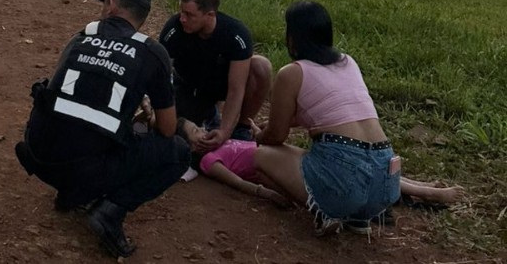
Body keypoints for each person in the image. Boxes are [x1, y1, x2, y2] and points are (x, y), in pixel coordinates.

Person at [15, 0, 191, 258]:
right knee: (178, 152)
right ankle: (110, 212)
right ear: (142, 17)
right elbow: (168, 129)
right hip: (83, 168)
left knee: (79, 126)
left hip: (37, 153)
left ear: (111, 5)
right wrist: (146, 115)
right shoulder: (151, 52)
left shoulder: (81, 36)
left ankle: (71, 194)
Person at [252, 1, 401, 236]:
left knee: (262, 155)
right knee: (327, 159)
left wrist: (258, 135)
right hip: (386, 179)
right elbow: (333, 111)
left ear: (293, 36)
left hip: (345, 171)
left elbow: (276, 136)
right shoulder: (347, 61)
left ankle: (326, 210)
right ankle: (358, 219)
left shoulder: (291, 73)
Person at [178, 119, 465, 210]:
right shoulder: (209, 161)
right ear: (190, 147)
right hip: (273, 166)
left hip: (276, 154)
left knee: (358, 171)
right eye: (196, 132)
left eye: (200, 127)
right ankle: (427, 192)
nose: (204, 132)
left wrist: (255, 128)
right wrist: (267, 194)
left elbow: (250, 142)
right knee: (351, 177)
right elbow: (238, 182)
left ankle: (420, 186)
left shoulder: (222, 141)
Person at [159, 0, 272, 152]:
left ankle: (242, 129)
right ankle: (207, 113)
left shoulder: (235, 34)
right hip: (188, 84)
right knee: (179, 132)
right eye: (181, 11)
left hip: (221, 84)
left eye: (189, 15)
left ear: (210, 15)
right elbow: (160, 74)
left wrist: (225, 131)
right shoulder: (174, 29)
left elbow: (236, 89)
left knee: (261, 66)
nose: (182, 19)